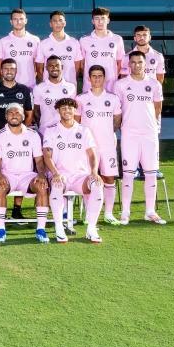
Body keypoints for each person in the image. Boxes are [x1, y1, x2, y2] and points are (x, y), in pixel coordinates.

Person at [114, 52, 166, 225]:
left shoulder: (154, 84)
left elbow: (158, 108)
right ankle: (125, 212)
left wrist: (151, 125)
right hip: (129, 134)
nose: (137, 65)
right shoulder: (121, 84)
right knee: (128, 174)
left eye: (140, 62)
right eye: (133, 62)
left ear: (145, 64)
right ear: (129, 64)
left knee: (151, 173)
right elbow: (117, 109)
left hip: (149, 134)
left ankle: (150, 211)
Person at [42, 98, 104, 244]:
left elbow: (92, 154)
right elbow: (47, 155)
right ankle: (59, 228)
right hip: (60, 175)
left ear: (74, 110)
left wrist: (94, 172)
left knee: (97, 184)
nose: (67, 111)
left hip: (79, 177)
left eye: (70, 108)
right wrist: (55, 173)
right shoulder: (51, 130)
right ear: (58, 111)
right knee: (57, 185)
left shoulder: (84, 130)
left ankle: (91, 229)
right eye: (63, 108)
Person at [0, 104, 50, 244]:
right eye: (10, 113)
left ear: (23, 116)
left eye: (17, 113)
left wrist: (41, 174)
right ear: (6, 116)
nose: (14, 115)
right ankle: (1, 229)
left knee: (42, 186)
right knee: (0, 186)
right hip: (7, 174)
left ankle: (41, 229)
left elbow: (39, 160)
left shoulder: (33, 134)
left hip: (26, 175)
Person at [0, 58, 34, 221]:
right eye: (6, 69)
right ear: (1, 71)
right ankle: (1, 210)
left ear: (16, 71)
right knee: (2, 171)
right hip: (0, 137)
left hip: (21, 136)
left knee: (22, 168)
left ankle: (17, 209)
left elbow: (29, 114)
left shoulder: (25, 90)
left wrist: (21, 132)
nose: (9, 71)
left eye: (12, 69)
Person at [76, 65, 122, 225]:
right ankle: (90, 214)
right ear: (89, 78)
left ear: (104, 78)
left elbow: (117, 120)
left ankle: (108, 213)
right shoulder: (81, 99)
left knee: (109, 178)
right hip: (88, 147)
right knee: (89, 178)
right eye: (94, 76)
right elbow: (77, 123)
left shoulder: (113, 98)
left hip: (107, 145)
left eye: (100, 76)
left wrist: (108, 133)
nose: (97, 78)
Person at [79, 6, 126, 93]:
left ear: (108, 20)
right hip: (90, 85)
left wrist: (113, 76)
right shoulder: (84, 40)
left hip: (111, 85)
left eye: (103, 18)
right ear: (92, 21)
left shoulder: (117, 39)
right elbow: (82, 65)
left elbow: (120, 63)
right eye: (97, 18)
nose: (100, 22)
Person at [35, 10, 83, 85]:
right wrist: (45, 85)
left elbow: (77, 68)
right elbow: (39, 69)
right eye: (55, 21)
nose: (58, 23)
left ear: (65, 23)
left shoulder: (74, 42)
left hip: (69, 86)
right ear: (50, 24)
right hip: (49, 87)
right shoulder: (43, 44)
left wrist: (71, 81)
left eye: (60, 20)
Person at [32, 56, 77, 134]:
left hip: (66, 131)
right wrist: (42, 124)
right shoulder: (39, 88)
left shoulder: (71, 87)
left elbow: (73, 110)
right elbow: (36, 111)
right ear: (46, 68)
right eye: (51, 66)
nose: (54, 68)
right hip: (45, 130)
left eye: (57, 65)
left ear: (62, 67)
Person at [0, 8, 39, 89]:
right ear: (11, 22)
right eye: (15, 19)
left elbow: (37, 64)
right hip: (9, 86)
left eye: (21, 19)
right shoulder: (3, 41)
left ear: (26, 21)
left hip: (30, 86)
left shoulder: (35, 40)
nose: (18, 22)